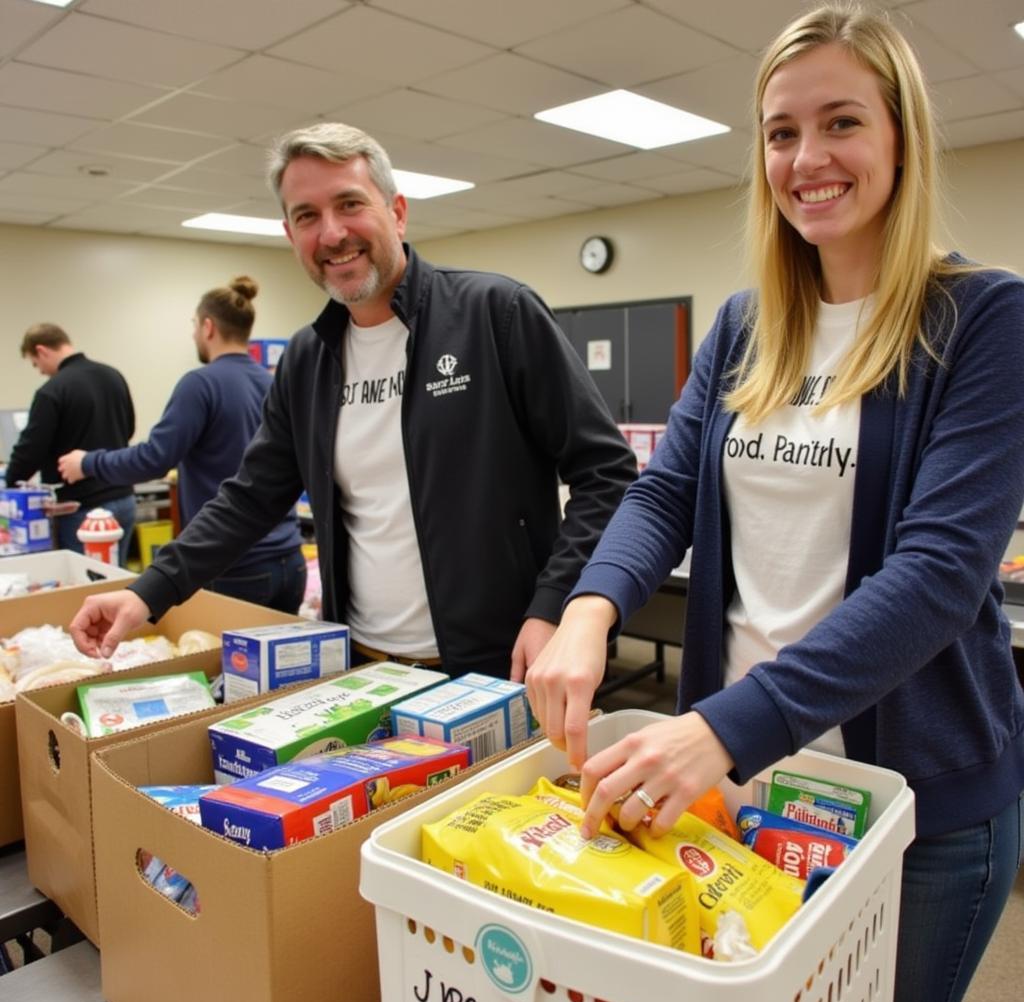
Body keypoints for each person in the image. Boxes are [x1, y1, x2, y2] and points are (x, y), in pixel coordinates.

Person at [525, 6, 1024, 1002]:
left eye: (841, 122)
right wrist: (588, 611)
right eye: (780, 131)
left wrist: (720, 727)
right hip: (745, 789)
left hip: (913, 806)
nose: (807, 157)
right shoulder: (747, 323)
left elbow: (938, 574)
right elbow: (665, 490)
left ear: (899, 136)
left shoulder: (984, 319)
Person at [69, 122, 637, 680]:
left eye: (349, 204)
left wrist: (555, 606)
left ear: (397, 211)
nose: (333, 233)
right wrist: (148, 592)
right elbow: (249, 499)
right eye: (307, 216)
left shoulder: (495, 314)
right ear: (291, 236)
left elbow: (605, 473)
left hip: (499, 665)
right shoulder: (306, 359)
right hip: (360, 669)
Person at [57, 277, 307, 614]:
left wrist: (88, 463)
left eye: (193, 325)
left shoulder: (200, 384)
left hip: (235, 567)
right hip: (290, 563)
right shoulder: (271, 381)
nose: (193, 334)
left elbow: (153, 459)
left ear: (207, 327)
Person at [8, 323, 136, 563]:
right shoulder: (113, 376)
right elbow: (128, 428)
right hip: (125, 499)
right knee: (119, 581)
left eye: (36, 364)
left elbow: (29, 451)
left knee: (88, 589)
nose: (41, 372)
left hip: (82, 508)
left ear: (42, 350)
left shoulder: (52, 391)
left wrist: (9, 482)